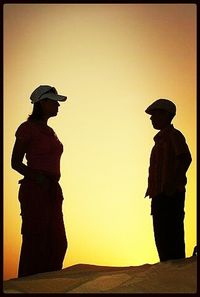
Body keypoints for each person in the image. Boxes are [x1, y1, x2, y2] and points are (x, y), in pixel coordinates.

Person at [11, 85, 68, 277]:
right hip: (35, 189)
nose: (58, 106)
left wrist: (50, 184)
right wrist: (37, 177)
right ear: (42, 103)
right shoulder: (27, 128)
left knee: (58, 243)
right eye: (54, 102)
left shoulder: (50, 131)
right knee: (36, 241)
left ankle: (47, 285)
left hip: (52, 190)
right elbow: (15, 162)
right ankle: (28, 286)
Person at [145, 98, 192, 262]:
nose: (151, 118)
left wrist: (172, 184)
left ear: (166, 115)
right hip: (158, 195)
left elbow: (185, 158)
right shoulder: (158, 142)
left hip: (171, 195)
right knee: (161, 238)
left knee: (172, 237)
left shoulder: (174, 136)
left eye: (155, 115)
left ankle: (177, 277)